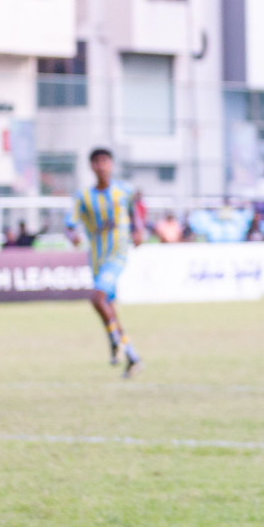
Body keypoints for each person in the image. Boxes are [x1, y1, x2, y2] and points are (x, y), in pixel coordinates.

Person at [66, 147, 145, 378]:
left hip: (117, 255)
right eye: (97, 162)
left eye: (105, 161)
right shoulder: (83, 197)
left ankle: (113, 342)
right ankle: (132, 356)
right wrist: (74, 236)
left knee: (97, 298)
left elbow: (136, 207)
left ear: (111, 164)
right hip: (97, 258)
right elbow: (70, 225)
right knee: (108, 309)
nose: (101, 166)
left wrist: (139, 230)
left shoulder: (124, 191)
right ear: (91, 166)